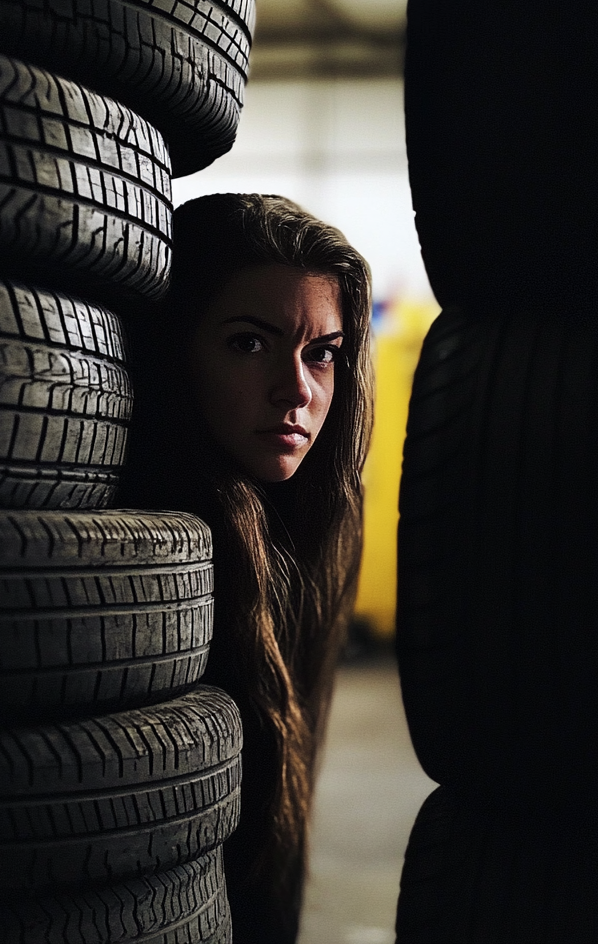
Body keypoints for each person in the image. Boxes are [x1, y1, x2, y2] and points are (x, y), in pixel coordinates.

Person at [122, 193, 374, 944]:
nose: (297, 390)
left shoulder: (315, 521)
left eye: (321, 352)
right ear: (176, 350)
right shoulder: (143, 540)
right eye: (248, 344)